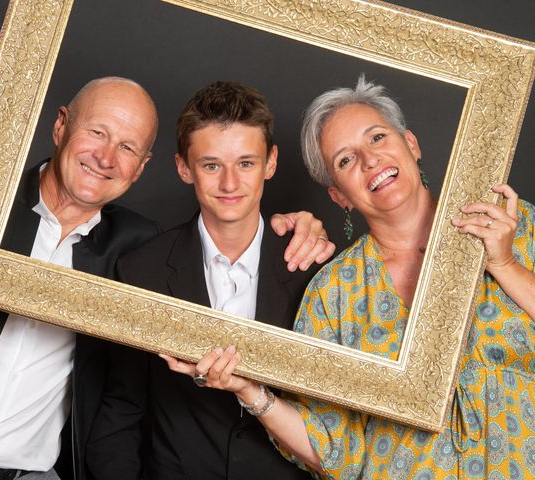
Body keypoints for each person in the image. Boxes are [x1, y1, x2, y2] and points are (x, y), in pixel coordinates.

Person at [0, 77, 330, 480]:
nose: (105, 158)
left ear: (142, 168)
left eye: (127, 147)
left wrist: (301, 225)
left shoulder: (132, 249)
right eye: (97, 133)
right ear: (61, 125)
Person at [165, 77, 535, 479]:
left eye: (377, 137)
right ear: (337, 195)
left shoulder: (513, 225)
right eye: (344, 160)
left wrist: (504, 264)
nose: (369, 159)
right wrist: (248, 390)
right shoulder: (333, 292)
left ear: (410, 143)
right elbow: (334, 451)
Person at [86, 81, 335, 480]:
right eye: (211, 165)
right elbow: (122, 409)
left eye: (246, 163)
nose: (230, 184)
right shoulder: (141, 270)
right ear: (184, 168)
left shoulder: (315, 267)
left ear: (270, 163)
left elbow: (336, 424)